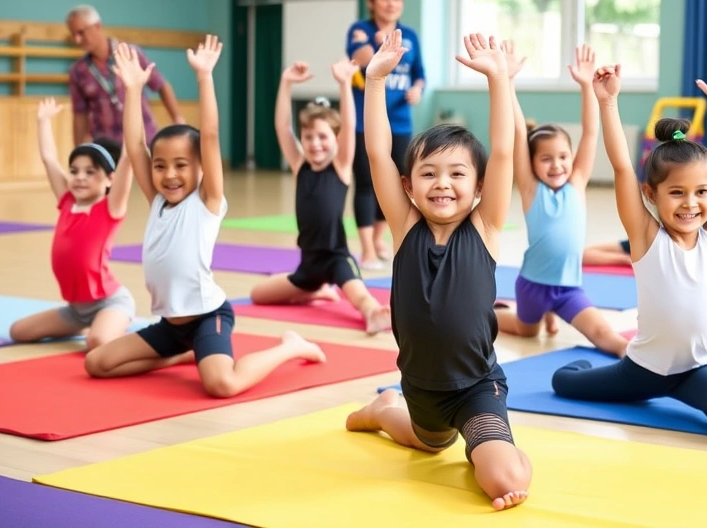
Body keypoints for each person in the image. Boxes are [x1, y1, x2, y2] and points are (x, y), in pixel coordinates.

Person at [344, 31, 531, 511]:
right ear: (407, 186)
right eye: (428, 173)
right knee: (424, 443)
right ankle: (385, 410)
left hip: (475, 387)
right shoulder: (406, 227)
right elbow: (376, 154)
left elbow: (506, 151)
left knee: (503, 477)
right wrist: (376, 81)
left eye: (456, 174)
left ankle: (495, 443)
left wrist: (497, 80)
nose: (442, 184)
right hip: (420, 387)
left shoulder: (485, 226)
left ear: (478, 186)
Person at [83, 37, 327, 397]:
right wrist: (133, 89)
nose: (169, 175)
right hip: (169, 326)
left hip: (207, 319)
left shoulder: (207, 202)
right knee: (97, 363)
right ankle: (182, 356)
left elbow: (209, 136)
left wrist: (204, 77)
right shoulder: (157, 203)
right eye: (161, 166)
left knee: (222, 384)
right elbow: (135, 146)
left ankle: (290, 347)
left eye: (181, 165)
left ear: (200, 168)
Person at [550, 46, 707, 444]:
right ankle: (584, 364)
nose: (690, 203)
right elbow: (619, 166)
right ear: (651, 194)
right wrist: (609, 102)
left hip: (695, 370)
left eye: (701, 191)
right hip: (640, 370)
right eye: (677, 192)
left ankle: (684, 394)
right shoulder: (647, 237)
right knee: (564, 383)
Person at [494, 42, 627, 357]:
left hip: (568, 289)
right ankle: (489, 313)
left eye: (563, 157)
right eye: (546, 159)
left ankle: (630, 353)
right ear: (533, 162)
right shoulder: (530, 188)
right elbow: (515, 131)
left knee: (604, 334)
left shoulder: (577, 183)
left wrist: (586, 87)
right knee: (528, 332)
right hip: (531, 286)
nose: (557, 165)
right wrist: (508, 82)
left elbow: (590, 132)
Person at [248, 58, 391, 335]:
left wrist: (344, 84)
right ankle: (316, 292)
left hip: (337, 259)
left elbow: (349, 127)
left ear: (335, 140)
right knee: (258, 294)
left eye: (323, 137)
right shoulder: (300, 167)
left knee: (360, 297)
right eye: (309, 137)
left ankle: (373, 314)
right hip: (308, 264)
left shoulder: (340, 168)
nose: (315, 144)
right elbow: (282, 128)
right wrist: (286, 82)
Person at [8, 97, 136, 350]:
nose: (79, 178)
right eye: (74, 171)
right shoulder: (67, 202)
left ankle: (139, 338)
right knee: (18, 332)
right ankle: (96, 324)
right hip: (76, 310)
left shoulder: (110, 208)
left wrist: (131, 96)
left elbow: (128, 159)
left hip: (110, 302)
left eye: (90, 172)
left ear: (110, 179)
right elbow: (48, 158)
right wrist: (43, 121)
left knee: (97, 342)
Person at [345, 0, 426, 270]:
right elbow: (361, 60)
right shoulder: (360, 31)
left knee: (395, 183)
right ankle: (366, 249)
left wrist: (418, 89)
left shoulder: (411, 36)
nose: (391, 4)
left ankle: (379, 239)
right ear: (372, 2)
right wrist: (379, 47)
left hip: (401, 123)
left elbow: (420, 73)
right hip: (366, 122)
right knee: (366, 182)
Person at [66, 5, 186, 146]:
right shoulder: (78, 71)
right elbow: (80, 114)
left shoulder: (130, 54)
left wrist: (178, 119)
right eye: (74, 35)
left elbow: (161, 85)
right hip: (106, 147)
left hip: (143, 139)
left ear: (97, 26)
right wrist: (78, 150)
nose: (78, 40)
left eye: (81, 33)